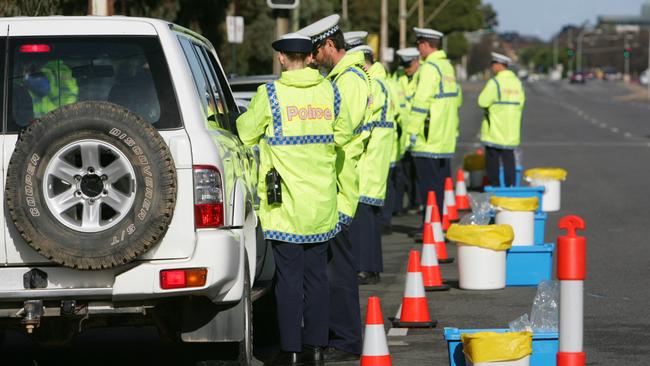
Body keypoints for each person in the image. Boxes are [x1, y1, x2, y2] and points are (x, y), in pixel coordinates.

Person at [236, 32, 344, 366]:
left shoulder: (269, 95)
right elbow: (344, 134)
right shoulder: (330, 91)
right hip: (321, 202)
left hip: (284, 206)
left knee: (288, 281)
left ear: (282, 59)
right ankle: (317, 349)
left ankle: (292, 351)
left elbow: (244, 132)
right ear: (310, 57)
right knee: (317, 279)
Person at [299, 14, 371, 362]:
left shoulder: (351, 81)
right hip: (332, 184)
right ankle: (335, 333)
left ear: (330, 45)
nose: (312, 58)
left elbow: (342, 131)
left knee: (339, 270)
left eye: (316, 51)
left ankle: (345, 339)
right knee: (330, 268)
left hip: (341, 188)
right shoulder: (340, 79)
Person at [342, 34, 395, 285]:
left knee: (363, 216)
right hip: (376, 156)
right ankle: (372, 267)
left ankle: (365, 267)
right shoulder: (381, 83)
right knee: (370, 218)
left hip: (368, 158)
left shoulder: (371, 84)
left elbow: (363, 124)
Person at [406, 27, 461, 218]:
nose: (418, 49)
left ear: (426, 45)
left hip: (428, 138)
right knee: (439, 186)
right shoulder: (447, 67)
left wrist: (411, 132)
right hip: (444, 137)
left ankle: (430, 224)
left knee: (428, 189)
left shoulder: (429, 68)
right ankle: (438, 223)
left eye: (419, 44)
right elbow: (457, 100)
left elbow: (421, 102)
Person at [478, 52, 525, 187]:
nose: (492, 67)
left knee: (492, 161)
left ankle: (495, 188)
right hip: (511, 130)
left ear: (499, 65)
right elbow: (521, 103)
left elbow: (482, 101)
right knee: (509, 160)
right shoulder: (517, 83)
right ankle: (510, 188)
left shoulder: (495, 82)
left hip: (495, 130)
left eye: (493, 64)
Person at [392, 47, 421, 218]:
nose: (406, 68)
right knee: (403, 170)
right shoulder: (398, 76)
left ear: (416, 62)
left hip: (416, 131)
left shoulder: (422, 77)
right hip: (402, 130)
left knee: (416, 171)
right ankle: (401, 204)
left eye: (409, 65)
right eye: (404, 65)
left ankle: (417, 202)